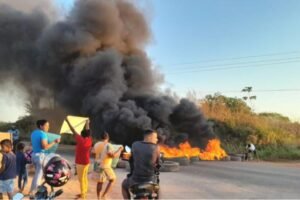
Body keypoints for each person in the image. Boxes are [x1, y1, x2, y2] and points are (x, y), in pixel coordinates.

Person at [122, 129, 160, 199]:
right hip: (150, 180)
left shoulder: (135, 144)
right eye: (155, 137)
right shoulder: (156, 147)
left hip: (135, 180)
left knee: (124, 185)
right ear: (149, 137)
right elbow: (158, 163)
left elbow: (131, 158)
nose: (157, 139)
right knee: (158, 190)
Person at [29, 120, 60, 196]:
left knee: (37, 174)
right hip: (40, 156)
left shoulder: (33, 133)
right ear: (41, 126)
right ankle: (35, 193)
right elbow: (45, 147)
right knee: (39, 175)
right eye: (46, 125)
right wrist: (55, 142)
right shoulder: (43, 134)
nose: (48, 127)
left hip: (34, 155)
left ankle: (32, 191)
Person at [65, 117, 92, 199]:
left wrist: (68, 121)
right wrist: (87, 123)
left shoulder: (80, 140)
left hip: (80, 163)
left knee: (81, 179)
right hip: (87, 162)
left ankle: (83, 195)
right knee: (85, 178)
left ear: (82, 135)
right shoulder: (89, 140)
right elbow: (88, 131)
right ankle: (85, 191)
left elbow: (73, 130)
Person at [93, 132, 123, 200]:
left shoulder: (96, 144)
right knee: (113, 179)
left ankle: (98, 198)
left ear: (101, 137)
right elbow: (112, 156)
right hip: (105, 165)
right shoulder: (108, 145)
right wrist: (119, 150)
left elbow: (93, 152)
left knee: (100, 182)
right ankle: (103, 196)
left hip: (97, 164)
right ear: (108, 138)